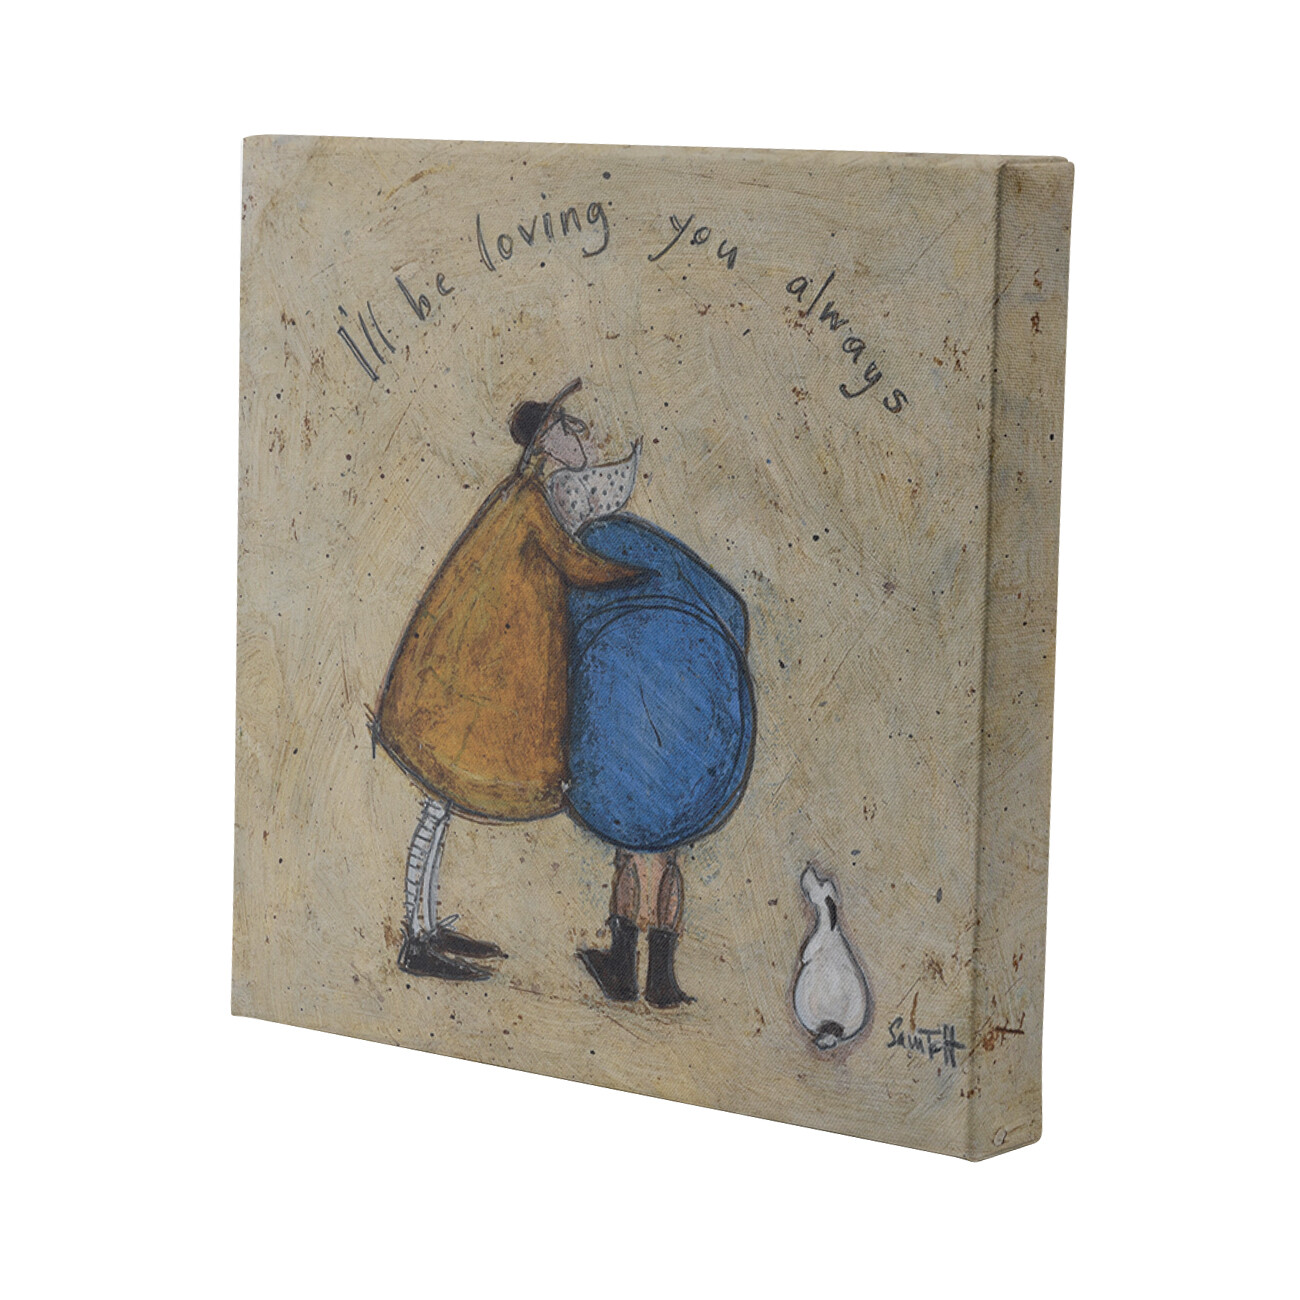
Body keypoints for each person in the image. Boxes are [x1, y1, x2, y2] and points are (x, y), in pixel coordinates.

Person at [371, 379, 644, 979]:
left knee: (438, 811)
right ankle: (416, 940)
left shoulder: (524, 492)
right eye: (567, 428)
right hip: (464, 686)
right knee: (435, 809)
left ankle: (423, 928)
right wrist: (635, 574)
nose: (579, 435)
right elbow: (573, 564)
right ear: (546, 441)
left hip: (470, 674)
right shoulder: (529, 500)